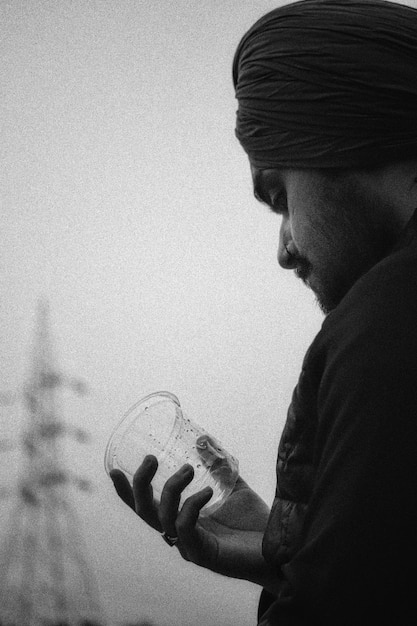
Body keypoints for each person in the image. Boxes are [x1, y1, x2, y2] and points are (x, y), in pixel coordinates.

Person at [110, 1, 417, 623]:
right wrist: (287, 549)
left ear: (340, 133)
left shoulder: (387, 318)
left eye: (279, 195)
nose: (284, 249)